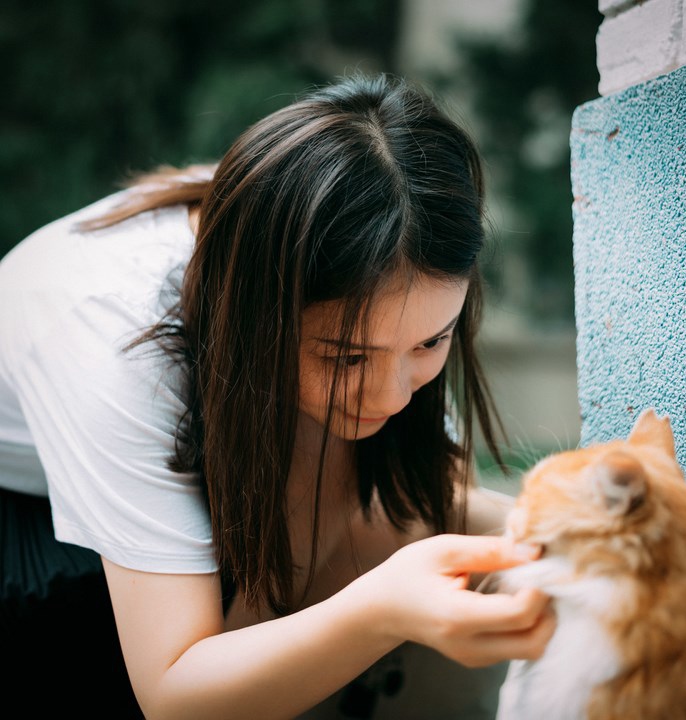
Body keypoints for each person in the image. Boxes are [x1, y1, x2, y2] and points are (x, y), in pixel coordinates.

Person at [0, 73, 554, 719]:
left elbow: (427, 501)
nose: (391, 394)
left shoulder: (367, 238)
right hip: (31, 530)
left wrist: (573, 539)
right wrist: (379, 610)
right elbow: (175, 694)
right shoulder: (114, 338)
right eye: (347, 356)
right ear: (255, 314)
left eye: (430, 343)